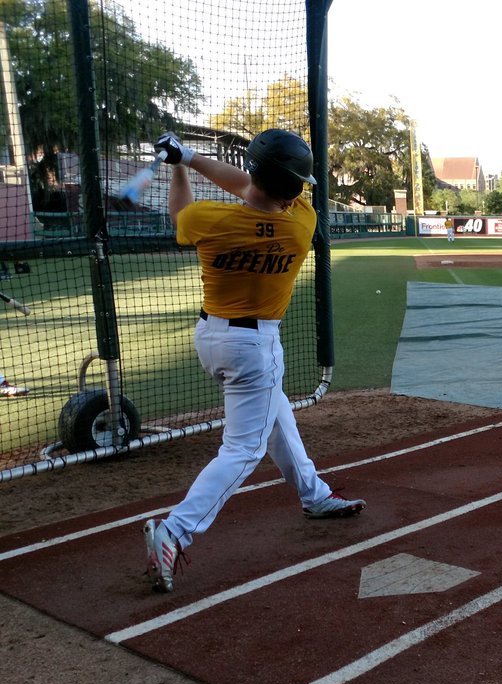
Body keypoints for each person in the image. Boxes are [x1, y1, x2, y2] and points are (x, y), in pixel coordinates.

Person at [142, 129, 365, 593]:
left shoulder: (210, 219)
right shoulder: (301, 223)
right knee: (243, 449)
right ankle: (176, 531)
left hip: (213, 336)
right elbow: (252, 187)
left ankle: (314, 494)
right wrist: (192, 158)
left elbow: (186, 213)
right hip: (254, 347)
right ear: (296, 187)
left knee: (277, 416)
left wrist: (182, 163)